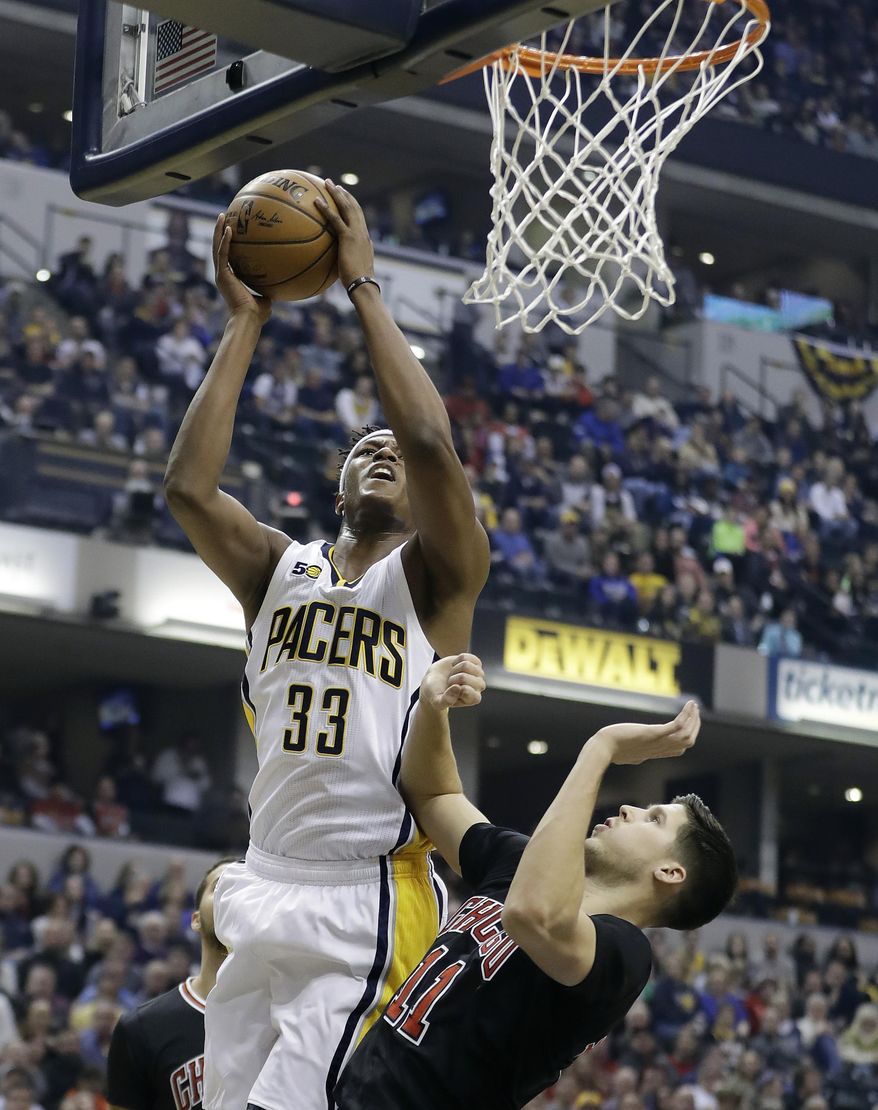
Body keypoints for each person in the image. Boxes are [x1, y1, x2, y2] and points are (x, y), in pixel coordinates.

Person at [163, 180, 489, 1110]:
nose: (387, 447)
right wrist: (246, 321)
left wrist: (362, 288)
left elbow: (428, 433)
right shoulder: (278, 568)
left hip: (370, 894)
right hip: (264, 874)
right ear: (336, 487)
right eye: (364, 446)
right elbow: (189, 489)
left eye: (397, 450)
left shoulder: (439, 576)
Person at [335, 655, 738, 1109]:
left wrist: (600, 749)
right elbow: (435, 795)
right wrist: (432, 709)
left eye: (654, 818)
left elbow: (532, 915)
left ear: (669, 873)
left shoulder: (623, 955)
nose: (630, 809)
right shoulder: (520, 862)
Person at [107, 859, 233, 1110]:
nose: (234, 898)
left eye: (246, 890)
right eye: (222, 887)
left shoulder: (289, 1017)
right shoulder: (142, 1027)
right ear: (195, 919)